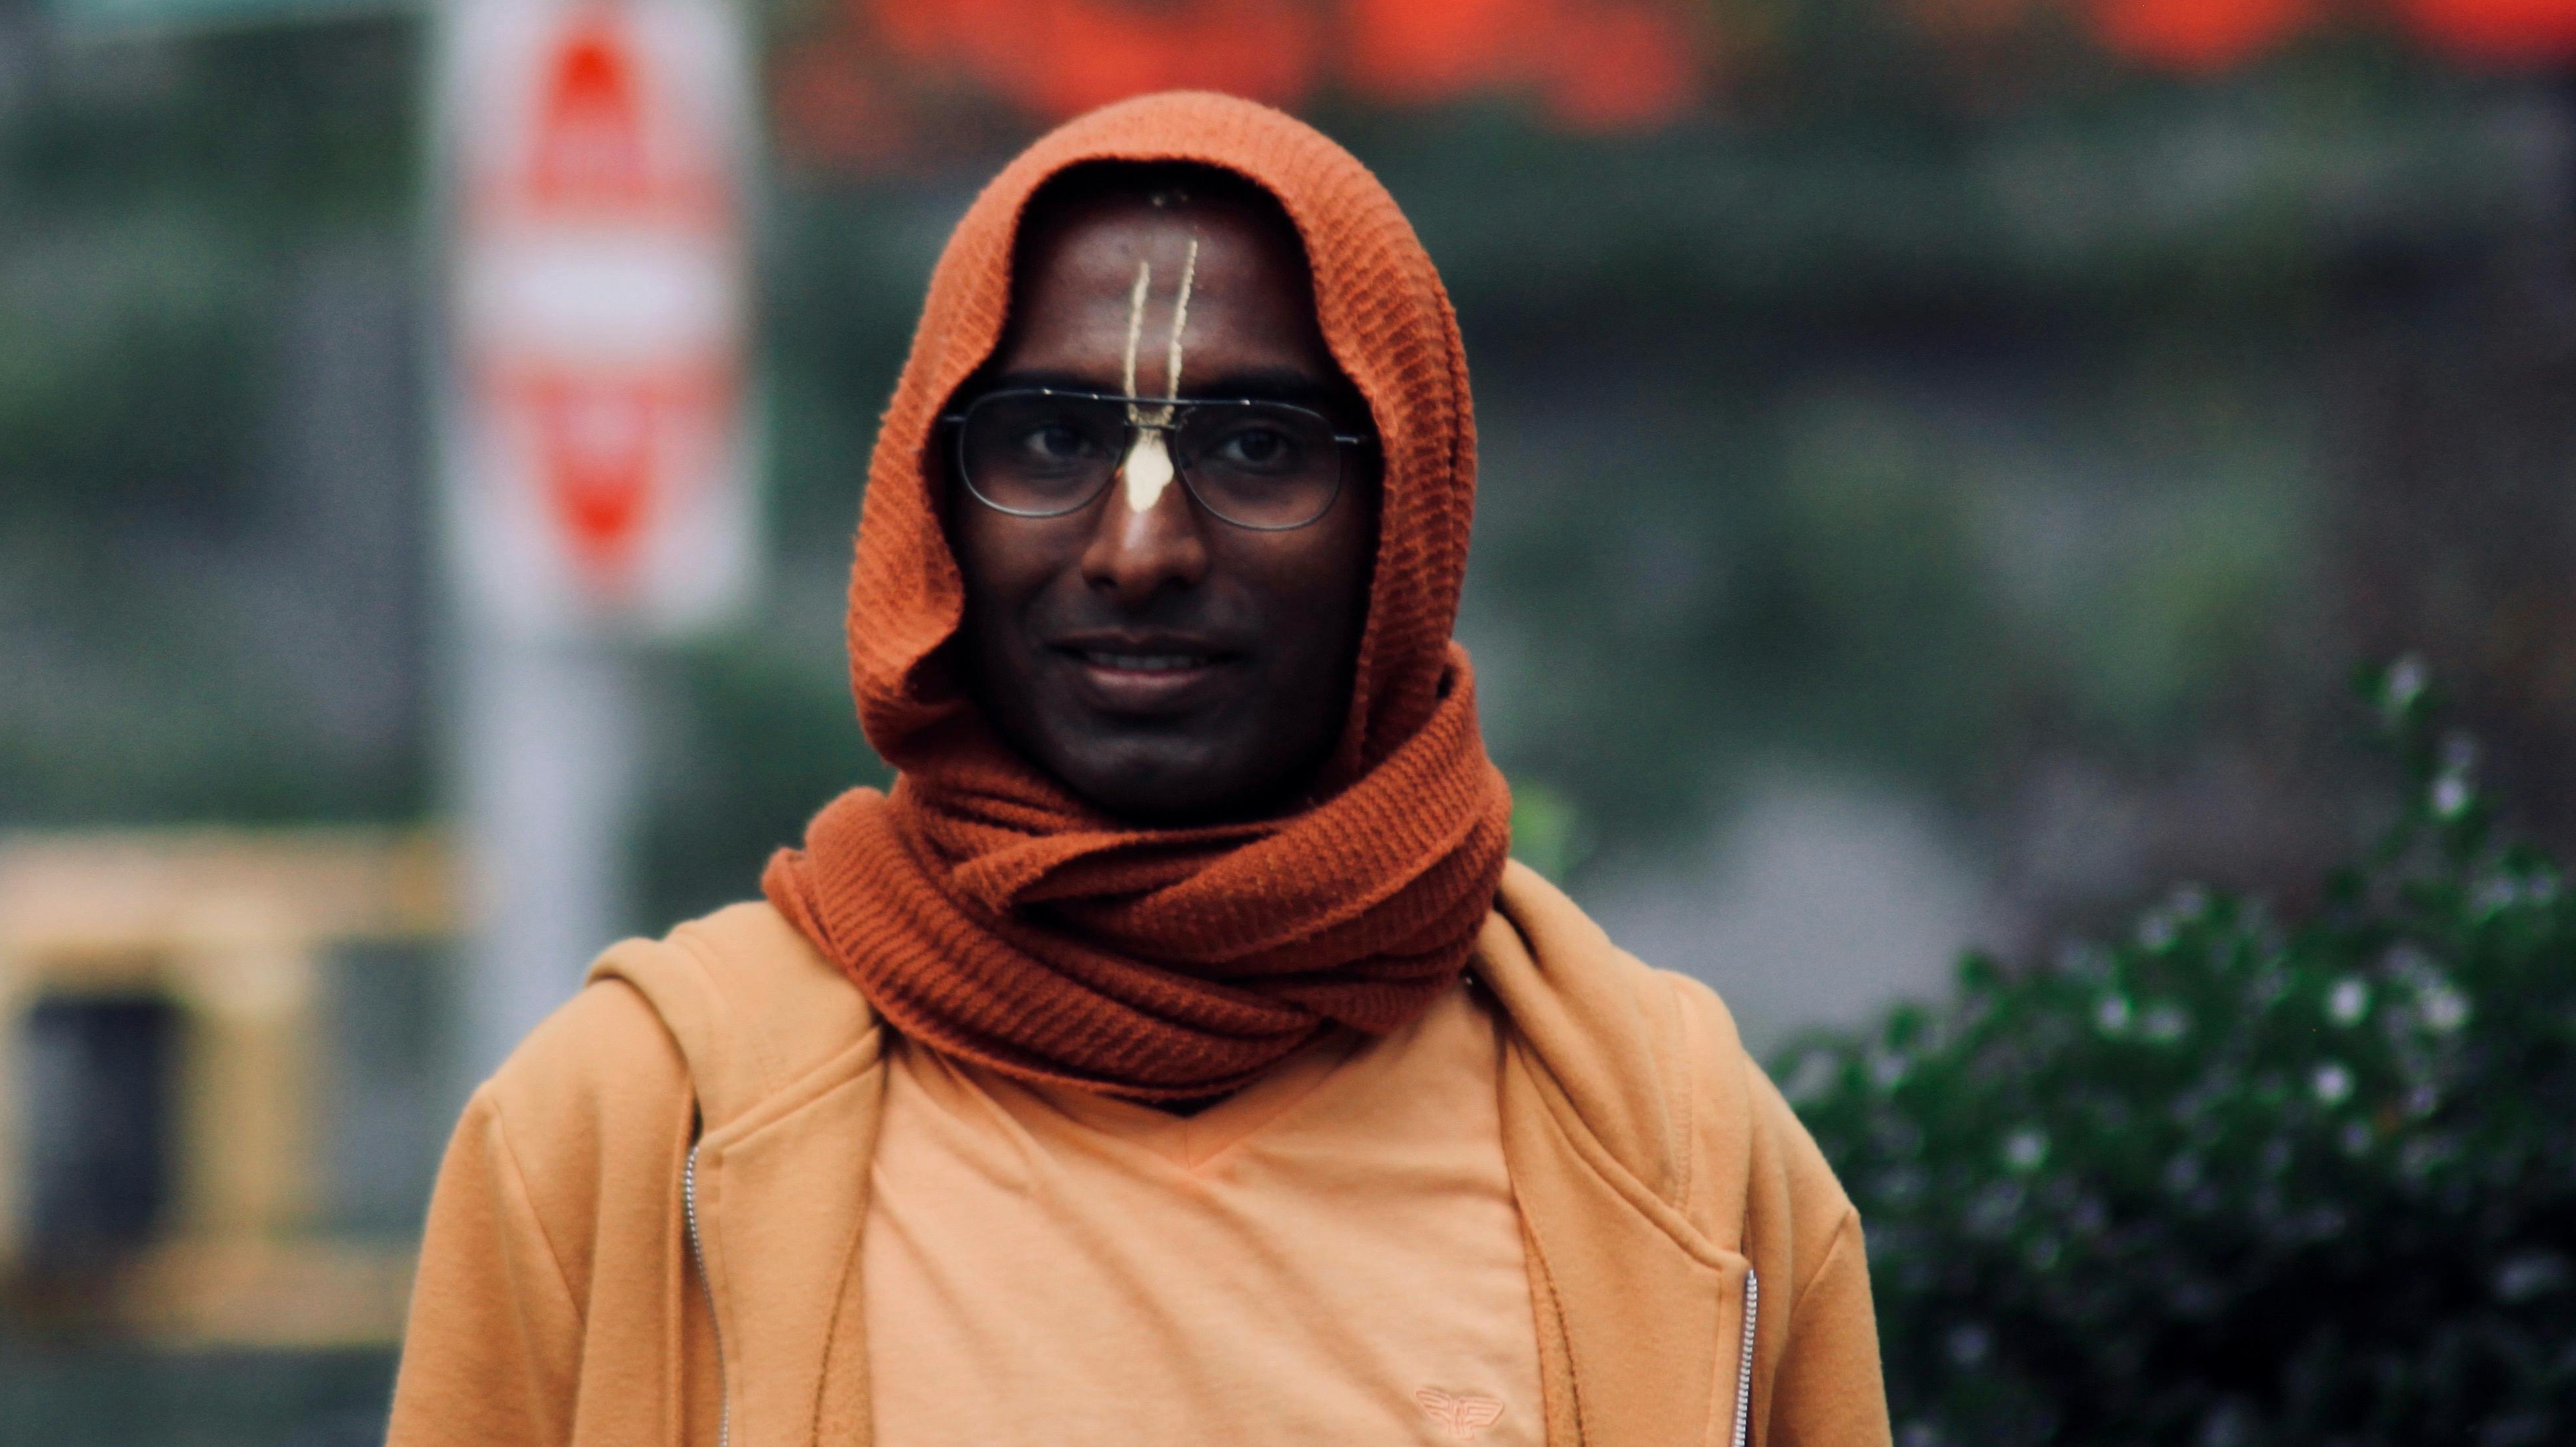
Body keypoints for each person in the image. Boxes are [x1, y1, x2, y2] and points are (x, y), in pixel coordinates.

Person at [386, 92, 1889, 1447]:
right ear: (933, 505)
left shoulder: (1678, 1155)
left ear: (1406, 515)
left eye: (1253, 446)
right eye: (1046, 438)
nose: (1139, 546)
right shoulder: (632, 1130)